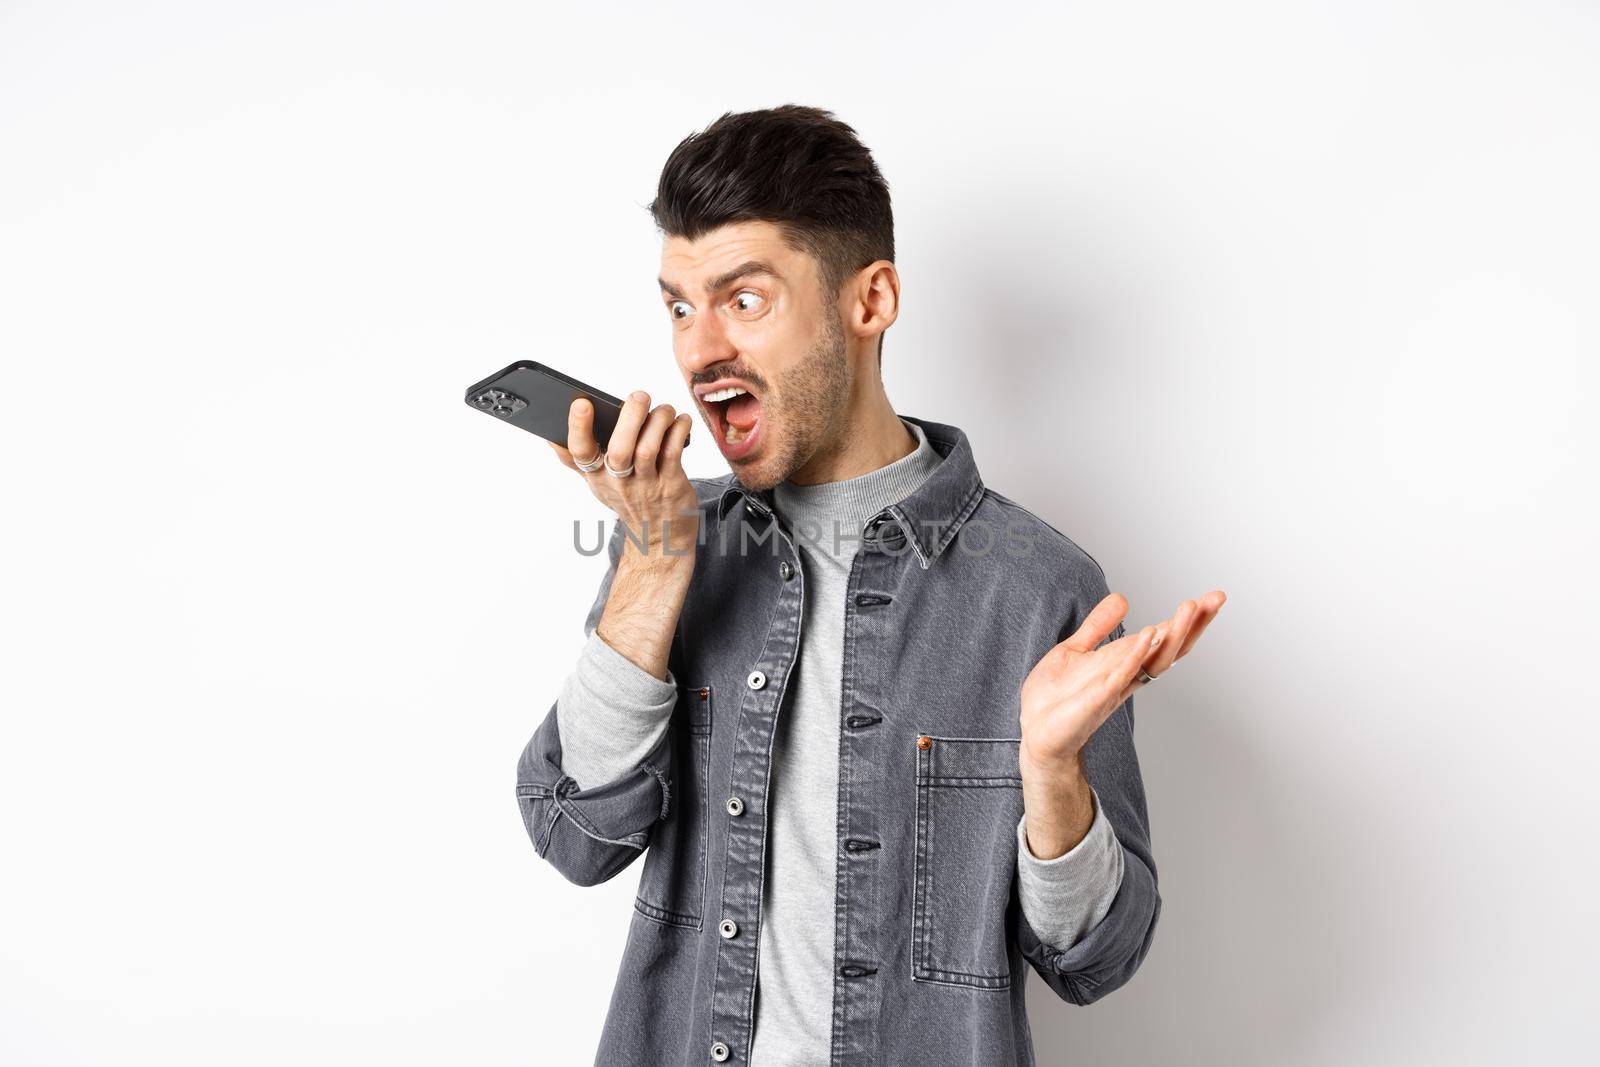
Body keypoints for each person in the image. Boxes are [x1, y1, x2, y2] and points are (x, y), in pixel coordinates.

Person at [514, 104, 1226, 1066]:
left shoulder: (1038, 590)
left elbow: (1096, 955)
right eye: (681, 305)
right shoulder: (668, 539)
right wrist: (651, 563)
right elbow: (574, 834)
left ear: (871, 300)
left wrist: (1055, 776)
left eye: (745, 299)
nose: (696, 349)